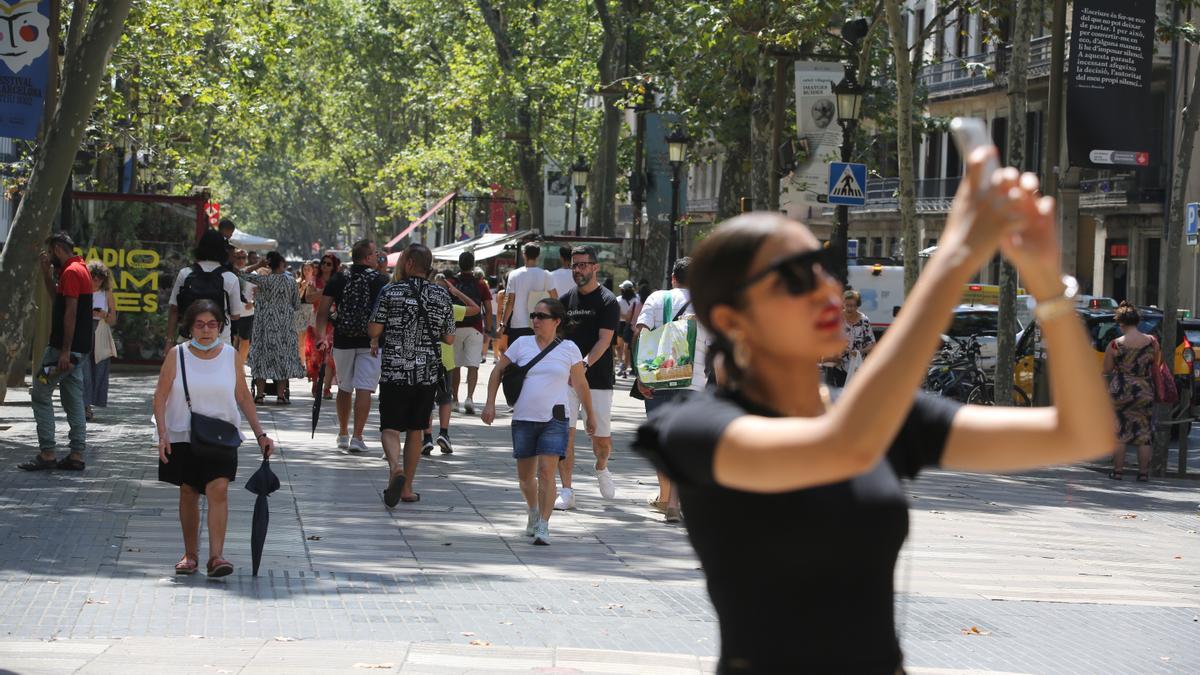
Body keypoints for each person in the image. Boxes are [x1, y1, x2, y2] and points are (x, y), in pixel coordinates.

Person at [632, 150, 1117, 673]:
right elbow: (843, 446)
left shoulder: (881, 418)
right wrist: (951, 260)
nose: (826, 290)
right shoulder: (693, 427)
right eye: (793, 278)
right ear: (732, 319)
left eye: (824, 269)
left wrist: (1049, 290)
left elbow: (1081, 434)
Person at [152, 300, 276, 577]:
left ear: (220, 326)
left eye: (212, 324)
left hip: (221, 435)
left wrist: (261, 434)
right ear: (190, 326)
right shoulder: (177, 355)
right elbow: (160, 395)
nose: (206, 330)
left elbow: (243, 395)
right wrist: (162, 435)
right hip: (183, 434)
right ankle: (190, 554)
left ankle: (217, 556)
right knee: (188, 492)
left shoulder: (230, 355)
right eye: (199, 324)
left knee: (218, 489)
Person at [482, 299, 595, 545]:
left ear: (556, 321)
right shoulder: (521, 344)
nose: (535, 320)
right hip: (523, 418)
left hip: (555, 419)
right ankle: (533, 510)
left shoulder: (569, 349)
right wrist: (490, 403)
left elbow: (580, 384)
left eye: (541, 316)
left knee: (546, 472)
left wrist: (590, 415)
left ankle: (543, 524)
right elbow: (496, 371)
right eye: (533, 315)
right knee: (525, 477)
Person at [368, 243, 456, 506]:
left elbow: (373, 330)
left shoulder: (390, 291)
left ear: (407, 264)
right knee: (417, 430)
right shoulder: (441, 296)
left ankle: (395, 467)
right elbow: (449, 338)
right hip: (426, 373)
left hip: (395, 370)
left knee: (390, 427)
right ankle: (406, 489)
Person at [634, 257, 709, 524]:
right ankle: (672, 500)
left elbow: (641, 332)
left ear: (673, 278)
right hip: (694, 380)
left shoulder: (658, 298)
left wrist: (641, 375)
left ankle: (668, 497)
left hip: (659, 377)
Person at [19, 233, 94, 472]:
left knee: (40, 392)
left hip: (64, 350)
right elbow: (58, 301)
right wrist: (46, 274)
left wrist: (64, 351)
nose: (49, 256)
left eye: (50, 252)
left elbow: (70, 313)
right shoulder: (78, 269)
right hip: (79, 351)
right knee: (73, 399)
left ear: (58, 249)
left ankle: (48, 452)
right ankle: (77, 454)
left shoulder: (72, 272)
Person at [555, 246, 620, 510]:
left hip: (598, 379)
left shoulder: (608, 301)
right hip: (567, 380)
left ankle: (601, 467)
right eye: (574, 265)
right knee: (564, 434)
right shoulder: (563, 301)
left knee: (601, 441)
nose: (578, 270)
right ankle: (567, 490)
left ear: (595, 267)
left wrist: (582, 365)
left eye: (583, 265)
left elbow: (604, 341)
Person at [316, 239, 388, 453]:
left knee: (345, 387)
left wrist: (322, 337)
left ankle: (342, 433)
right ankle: (358, 436)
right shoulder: (381, 280)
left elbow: (322, 313)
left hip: (343, 340)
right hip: (372, 342)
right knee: (365, 388)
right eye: (375, 254)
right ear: (367, 257)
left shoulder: (339, 277)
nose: (378, 257)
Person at [424, 273, 482, 455]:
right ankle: (444, 433)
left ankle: (426, 438)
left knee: (426, 401)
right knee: (445, 399)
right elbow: (475, 308)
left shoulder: (423, 306)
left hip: (425, 358)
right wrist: (457, 292)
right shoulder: (450, 307)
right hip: (446, 360)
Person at [1103, 302, 1158, 482]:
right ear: (1137, 321)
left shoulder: (1115, 345)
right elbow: (1155, 367)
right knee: (1143, 434)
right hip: (1144, 389)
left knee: (1120, 432)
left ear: (1121, 324)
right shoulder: (1152, 342)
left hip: (1121, 390)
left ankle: (1118, 472)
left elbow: (1107, 369)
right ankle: (1143, 474)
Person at [164, 229, 244, 349]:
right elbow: (236, 315)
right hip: (220, 344)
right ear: (223, 250)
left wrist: (169, 340)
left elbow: (174, 309)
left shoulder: (185, 274)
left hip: (189, 342)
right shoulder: (230, 278)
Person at [247, 251, 307, 404]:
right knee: (283, 358)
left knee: (262, 357)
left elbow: (241, 273)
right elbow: (296, 304)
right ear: (282, 264)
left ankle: (260, 395)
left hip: (264, 325)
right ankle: (280, 396)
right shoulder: (291, 282)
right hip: (285, 326)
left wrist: (258, 265)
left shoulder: (263, 280)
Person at [448, 251, 493, 414]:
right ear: (473, 265)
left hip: (455, 327)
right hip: (475, 328)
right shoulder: (481, 284)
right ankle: (470, 398)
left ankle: (455, 400)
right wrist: (488, 329)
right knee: (473, 365)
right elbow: (488, 309)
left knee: (456, 366)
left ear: (459, 264)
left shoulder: (452, 282)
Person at [83, 261, 118, 421]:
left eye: (100, 278)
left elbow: (113, 319)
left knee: (99, 370)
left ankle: (91, 402)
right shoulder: (81, 291)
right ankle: (85, 407)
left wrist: (104, 315)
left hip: (100, 332)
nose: (96, 281)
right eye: (93, 277)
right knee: (83, 370)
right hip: (82, 331)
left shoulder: (106, 293)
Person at [500, 243, 556, 342]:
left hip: (518, 324)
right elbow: (555, 299)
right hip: (540, 323)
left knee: (517, 356)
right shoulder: (546, 275)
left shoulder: (514, 275)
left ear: (524, 255)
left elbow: (510, 302)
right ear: (538, 256)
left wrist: (503, 323)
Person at [305, 253, 340, 399]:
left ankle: (326, 387)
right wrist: (323, 292)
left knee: (331, 357)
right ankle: (315, 384)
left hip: (332, 323)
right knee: (315, 356)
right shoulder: (314, 281)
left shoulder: (337, 281)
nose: (325, 266)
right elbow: (308, 298)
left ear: (334, 266)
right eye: (323, 263)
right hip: (315, 323)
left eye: (328, 264)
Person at [836, 289, 876, 386]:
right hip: (839, 366)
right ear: (843, 304)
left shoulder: (864, 321)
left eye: (853, 306)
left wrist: (860, 352)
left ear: (858, 305)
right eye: (847, 305)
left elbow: (872, 345)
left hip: (857, 367)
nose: (850, 308)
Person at [616, 280, 640, 377]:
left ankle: (625, 364)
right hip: (621, 324)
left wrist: (626, 317)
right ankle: (622, 363)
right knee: (619, 346)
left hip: (630, 324)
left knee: (627, 346)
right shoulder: (618, 299)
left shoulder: (637, 299)